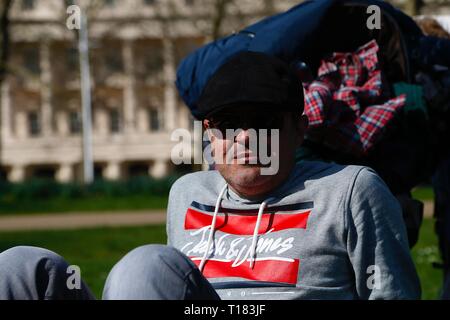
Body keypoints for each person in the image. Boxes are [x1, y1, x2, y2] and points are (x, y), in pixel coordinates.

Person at [0, 51, 420, 300]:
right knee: (17, 268)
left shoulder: (350, 191)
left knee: (145, 268)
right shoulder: (188, 191)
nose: (242, 136)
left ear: (299, 128)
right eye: (226, 122)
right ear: (208, 133)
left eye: (261, 121)